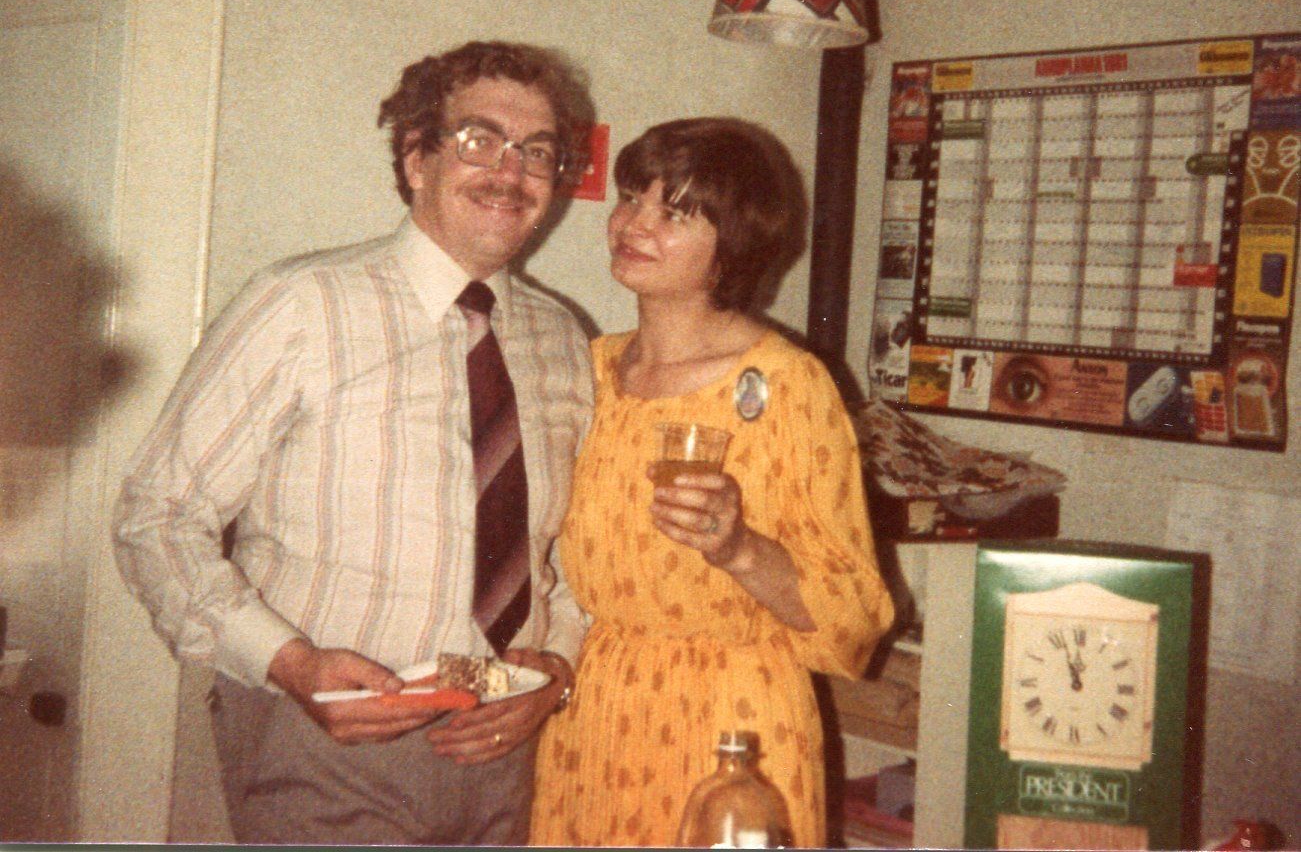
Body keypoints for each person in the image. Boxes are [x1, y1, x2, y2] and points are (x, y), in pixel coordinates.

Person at [112, 41, 596, 845]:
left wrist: (556, 671)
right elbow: (157, 515)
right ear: (415, 158)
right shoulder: (300, 305)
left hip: (503, 747)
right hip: (326, 741)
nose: (509, 171)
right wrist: (289, 663)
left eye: (536, 152)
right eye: (479, 139)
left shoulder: (561, 338)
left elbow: (571, 556)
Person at [530, 118, 894, 847]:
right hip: (595, 708)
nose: (633, 224)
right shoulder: (589, 367)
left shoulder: (789, 386)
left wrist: (738, 549)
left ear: (733, 243)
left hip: (732, 726)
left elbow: (856, 619)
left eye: (674, 212)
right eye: (632, 197)